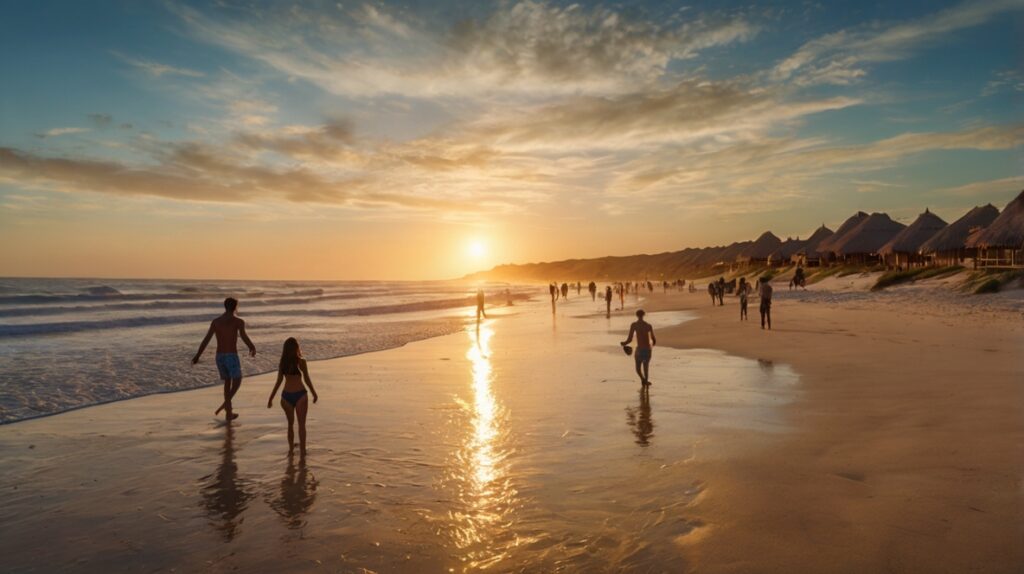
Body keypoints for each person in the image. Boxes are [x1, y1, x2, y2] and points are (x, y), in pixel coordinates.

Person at [193, 297, 257, 421]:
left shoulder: (216, 321)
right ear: (235, 307)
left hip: (219, 357)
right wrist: (251, 346)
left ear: (225, 306)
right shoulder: (238, 321)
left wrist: (197, 355)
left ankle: (229, 412)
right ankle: (225, 405)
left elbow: (206, 340)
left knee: (227, 383)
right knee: (237, 382)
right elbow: (243, 336)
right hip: (231, 356)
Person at [267, 338, 319, 456]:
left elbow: (278, 382)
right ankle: (303, 452)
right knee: (301, 426)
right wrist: (314, 393)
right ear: (296, 348)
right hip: (300, 394)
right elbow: (306, 379)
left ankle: (291, 450)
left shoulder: (283, 363)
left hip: (286, 397)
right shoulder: (301, 362)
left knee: (290, 425)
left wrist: (271, 398)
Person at [621, 309, 656, 386]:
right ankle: (645, 381)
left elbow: (629, 339)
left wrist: (624, 343)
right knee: (646, 367)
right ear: (643, 315)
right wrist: (652, 346)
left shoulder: (634, 325)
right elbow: (653, 339)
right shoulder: (648, 325)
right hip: (647, 349)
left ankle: (643, 379)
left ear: (636, 315)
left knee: (637, 369)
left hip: (639, 349)